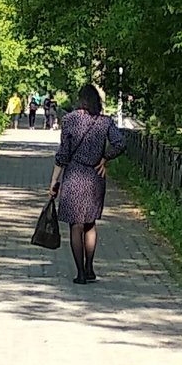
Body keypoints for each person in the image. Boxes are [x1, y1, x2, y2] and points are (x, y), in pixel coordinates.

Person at [49, 80, 122, 283]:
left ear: (80, 100)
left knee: (76, 225)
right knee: (90, 223)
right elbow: (120, 143)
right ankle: (90, 268)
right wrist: (105, 158)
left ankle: (80, 273)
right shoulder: (105, 122)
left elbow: (63, 154)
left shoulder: (70, 120)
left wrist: (54, 180)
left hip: (74, 176)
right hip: (95, 177)